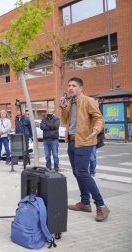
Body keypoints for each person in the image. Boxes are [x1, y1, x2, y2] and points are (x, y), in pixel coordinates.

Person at [60, 77, 109, 222]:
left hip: (85, 141)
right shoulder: (69, 102)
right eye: (69, 85)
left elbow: (99, 118)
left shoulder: (88, 101)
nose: (70, 88)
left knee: (83, 173)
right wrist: (63, 108)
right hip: (72, 141)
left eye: (74, 86)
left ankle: (101, 205)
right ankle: (85, 203)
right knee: (77, 173)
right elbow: (65, 121)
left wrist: (95, 129)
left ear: (81, 88)